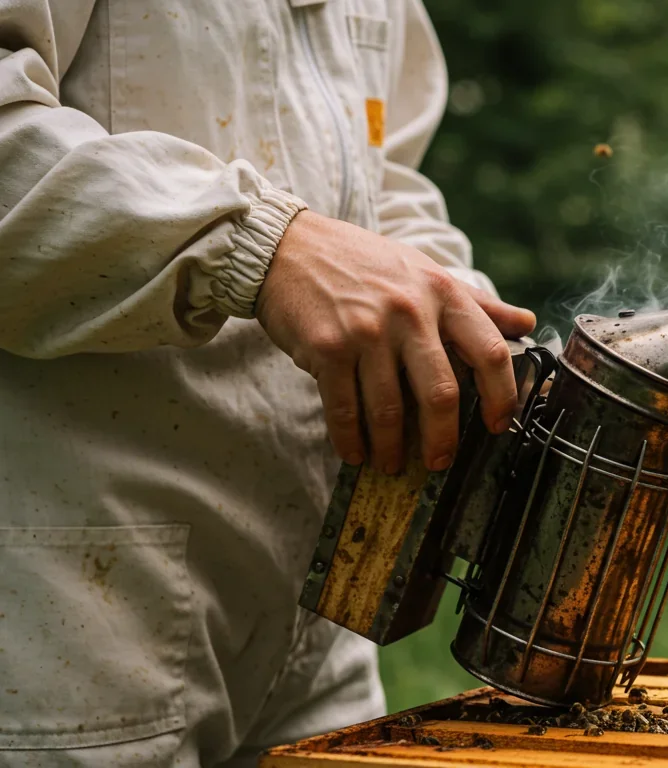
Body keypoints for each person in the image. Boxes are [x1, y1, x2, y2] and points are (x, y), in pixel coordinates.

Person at [0, 2, 535, 765]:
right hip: (70, 619)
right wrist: (257, 242)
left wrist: (454, 315)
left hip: (320, 628)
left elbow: (382, 178)